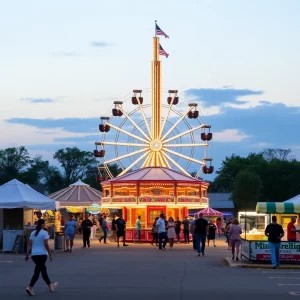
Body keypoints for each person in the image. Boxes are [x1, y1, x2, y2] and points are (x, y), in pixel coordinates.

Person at [25, 219, 58, 296]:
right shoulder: (45, 233)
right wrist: (50, 254)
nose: (45, 225)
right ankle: (29, 287)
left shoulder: (33, 233)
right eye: (44, 223)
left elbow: (29, 244)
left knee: (43, 270)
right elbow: (46, 244)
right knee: (37, 271)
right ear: (42, 225)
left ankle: (50, 285)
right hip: (42, 254)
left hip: (34, 255)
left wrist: (27, 254)